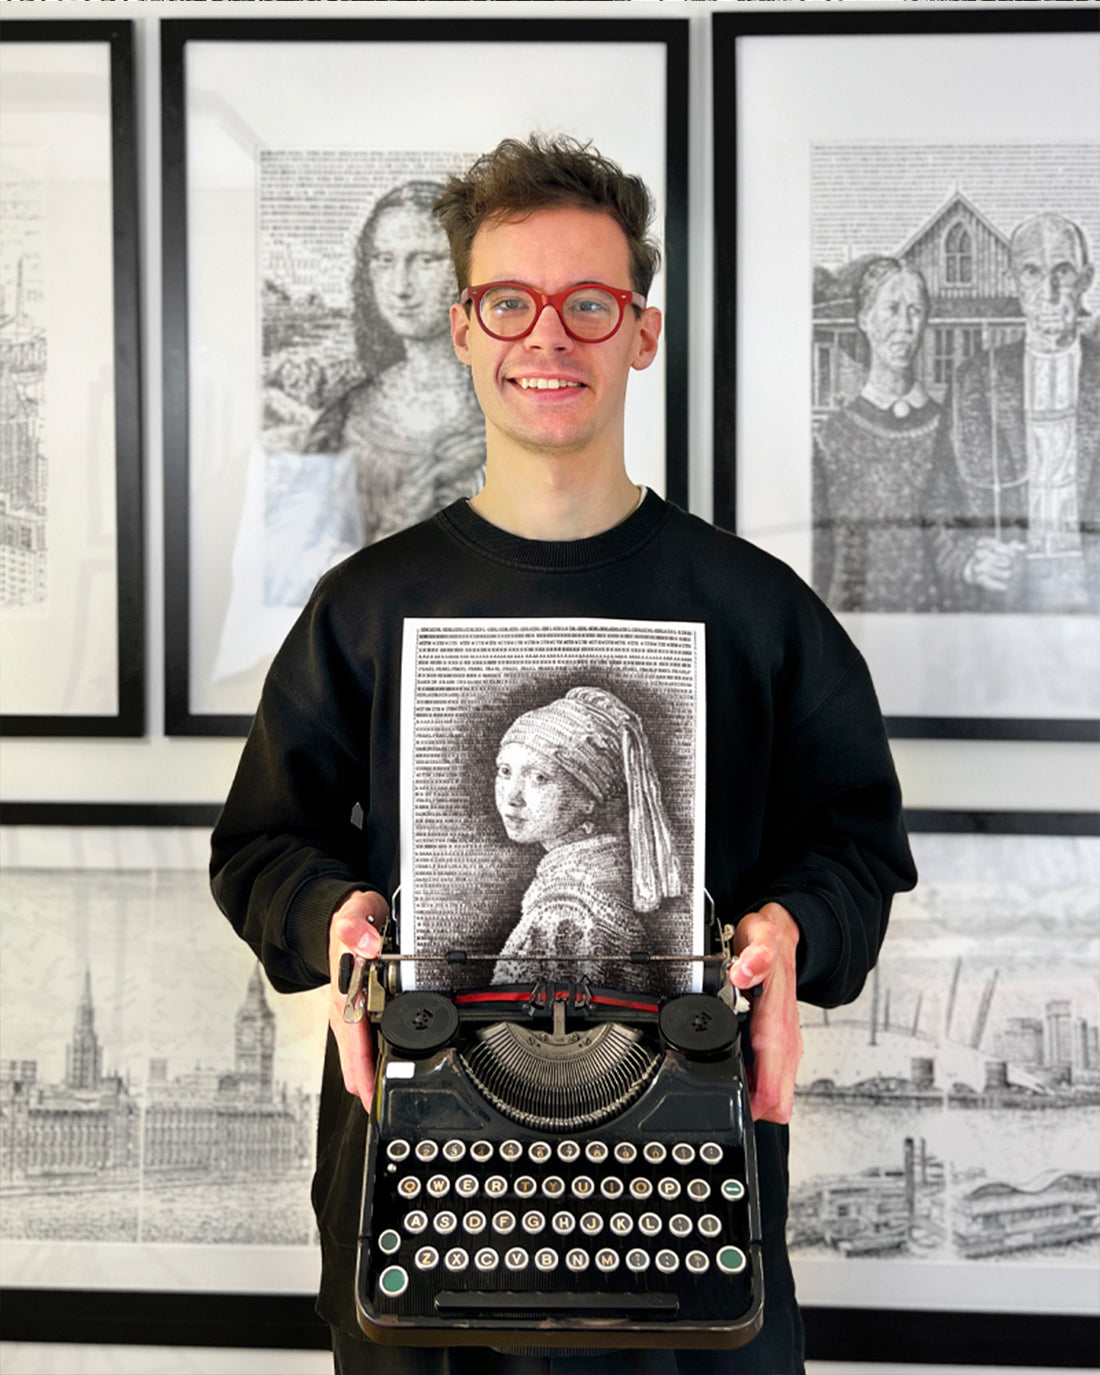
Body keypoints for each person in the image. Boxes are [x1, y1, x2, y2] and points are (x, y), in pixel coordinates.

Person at [211, 134, 916, 1374]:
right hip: (420, 1181)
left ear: (640, 332)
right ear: (462, 329)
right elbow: (263, 845)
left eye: (588, 303)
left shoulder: (759, 612)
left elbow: (855, 845)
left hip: (685, 1177)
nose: (548, 336)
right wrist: (334, 916)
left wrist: (793, 927)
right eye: (509, 303)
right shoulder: (362, 606)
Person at [304, 180, 486, 548]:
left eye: (425, 260)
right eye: (384, 261)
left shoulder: (511, 410)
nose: (401, 286)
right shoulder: (342, 421)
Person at [950, 212, 1099, 612]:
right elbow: (940, 503)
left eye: (1063, 272)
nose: (1049, 292)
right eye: (1032, 272)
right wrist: (968, 561)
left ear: (1086, 279)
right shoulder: (975, 379)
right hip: (1008, 589)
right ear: (1012, 280)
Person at [491, 685, 682, 991]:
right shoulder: (602, 872)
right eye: (505, 771)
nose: (512, 796)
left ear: (588, 797)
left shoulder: (564, 912)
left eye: (539, 777)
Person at [812, 258, 959, 612]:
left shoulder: (951, 431)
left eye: (915, 311)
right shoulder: (830, 439)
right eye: (892, 309)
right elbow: (818, 562)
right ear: (864, 318)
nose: (905, 326)